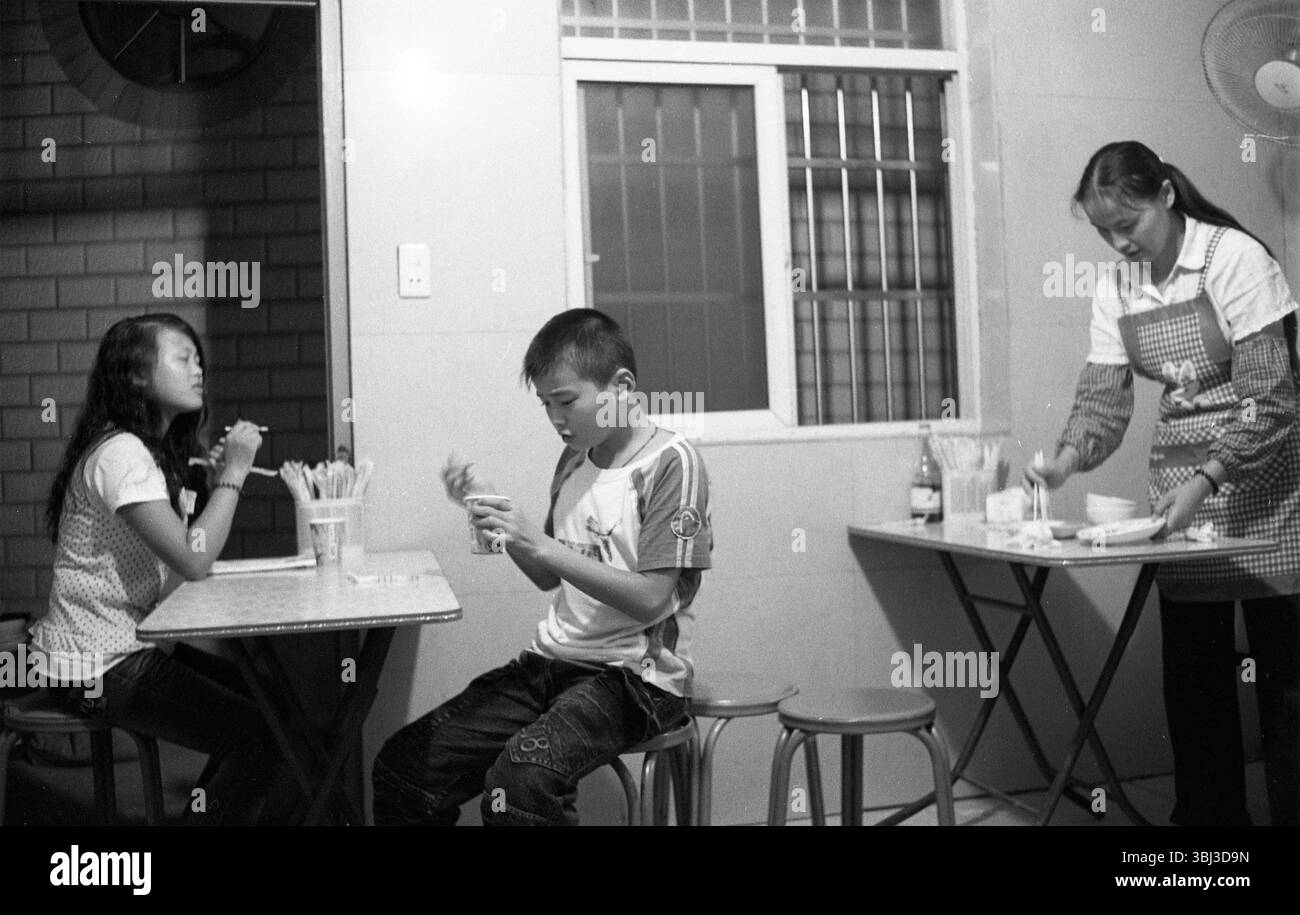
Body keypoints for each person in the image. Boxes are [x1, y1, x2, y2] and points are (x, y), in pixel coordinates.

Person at [1027, 141, 1300, 826]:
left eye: (1130, 224)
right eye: (1104, 232)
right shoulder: (1118, 288)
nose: (1119, 243)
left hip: (1271, 497)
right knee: (1196, 688)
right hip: (1183, 512)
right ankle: (1210, 850)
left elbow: (1271, 396)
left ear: (1167, 198)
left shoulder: (1234, 258)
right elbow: (1103, 403)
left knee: (1290, 690)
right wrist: (1064, 459)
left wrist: (1211, 476)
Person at [373, 309, 712, 825]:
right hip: (549, 664)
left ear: (620, 387)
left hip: (634, 678)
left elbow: (652, 598)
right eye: (545, 405)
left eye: (566, 401)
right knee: (404, 766)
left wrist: (540, 542)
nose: (556, 419)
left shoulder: (671, 463)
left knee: (520, 781)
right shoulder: (575, 460)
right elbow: (548, 577)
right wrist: (498, 520)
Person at [30, 313, 287, 825]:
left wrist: (214, 484)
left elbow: (178, 566)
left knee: (274, 710)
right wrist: (234, 473)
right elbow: (195, 561)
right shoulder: (122, 454)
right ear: (136, 376)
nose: (198, 371)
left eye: (199, 360)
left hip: (125, 650)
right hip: (99, 665)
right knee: (263, 736)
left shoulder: (144, 452)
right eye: (182, 358)